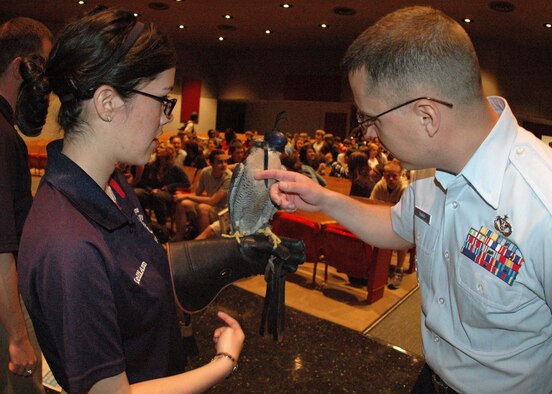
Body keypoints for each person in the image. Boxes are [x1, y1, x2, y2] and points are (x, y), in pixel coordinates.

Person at [257, 6, 552, 393]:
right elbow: (398, 227)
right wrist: (324, 200)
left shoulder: (541, 204)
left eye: (372, 121)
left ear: (426, 116)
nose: (370, 137)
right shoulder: (430, 168)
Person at [14, 8, 303, 394]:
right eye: (163, 99)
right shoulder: (68, 247)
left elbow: (139, 270)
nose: (168, 117)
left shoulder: (110, 183)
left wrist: (233, 255)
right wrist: (224, 363)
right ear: (108, 103)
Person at [0, 17, 52, 394]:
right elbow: (1, 248)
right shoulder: (3, 138)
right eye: (42, 66)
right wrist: (18, 337)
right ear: (20, 67)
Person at [174, 149, 232, 240]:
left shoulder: (229, 177)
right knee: (182, 204)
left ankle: (203, 242)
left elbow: (213, 201)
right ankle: (178, 239)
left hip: (224, 210)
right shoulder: (205, 172)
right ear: (211, 163)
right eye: (220, 162)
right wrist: (182, 195)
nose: (224, 165)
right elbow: (197, 193)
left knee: (202, 208)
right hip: (210, 204)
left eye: (225, 161)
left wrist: (186, 195)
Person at [369, 161, 408, 289]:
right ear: (384, 175)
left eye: (394, 176)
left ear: (400, 175)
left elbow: (405, 213)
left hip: (402, 223)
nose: (391, 179)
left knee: (403, 237)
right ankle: (372, 264)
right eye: (388, 176)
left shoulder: (405, 189)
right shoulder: (380, 186)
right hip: (384, 219)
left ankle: (399, 269)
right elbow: (371, 204)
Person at [134, 141, 191, 226]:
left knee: (158, 196)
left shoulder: (175, 167)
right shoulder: (151, 165)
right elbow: (144, 181)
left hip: (168, 193)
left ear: (169, 151)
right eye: (158, 147)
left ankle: (162, 225)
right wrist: (151, 189)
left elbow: (186, 183)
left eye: (161, 147)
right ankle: (145, 221)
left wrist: (169, 187)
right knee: (135, 193)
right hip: (151, 191)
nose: (158, 149)